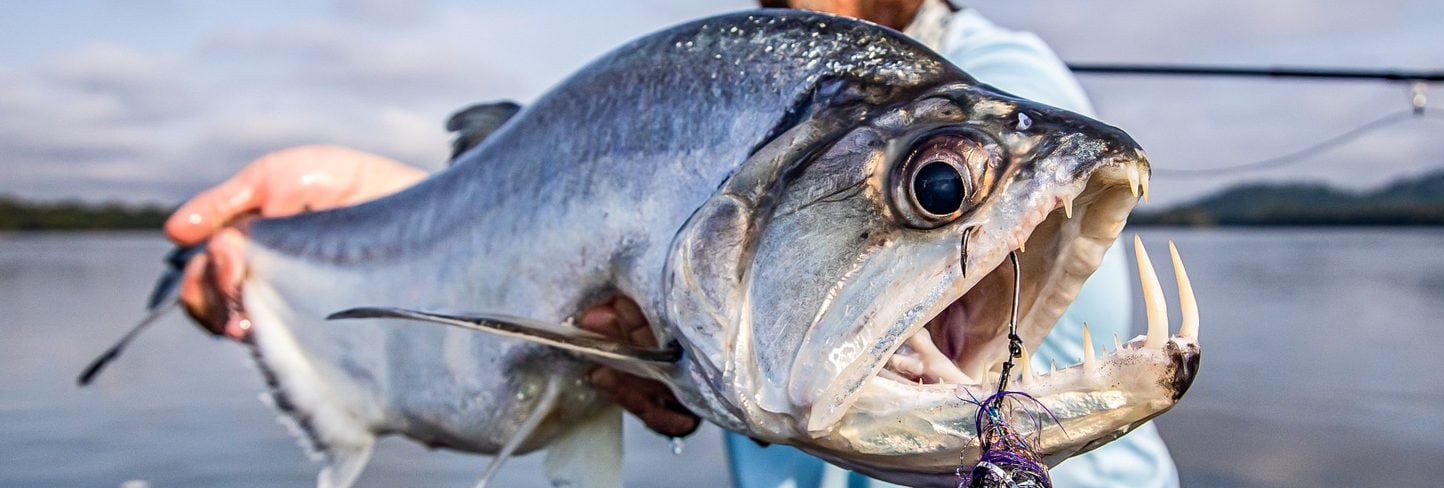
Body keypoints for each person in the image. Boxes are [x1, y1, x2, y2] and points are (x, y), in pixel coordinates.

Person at [166, 1, 1177, 486]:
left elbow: (954, 407)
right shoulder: (746, 97)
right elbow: (542, 200)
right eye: (941, 184)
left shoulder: (996, 74)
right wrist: (359, 205)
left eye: (940, 185)